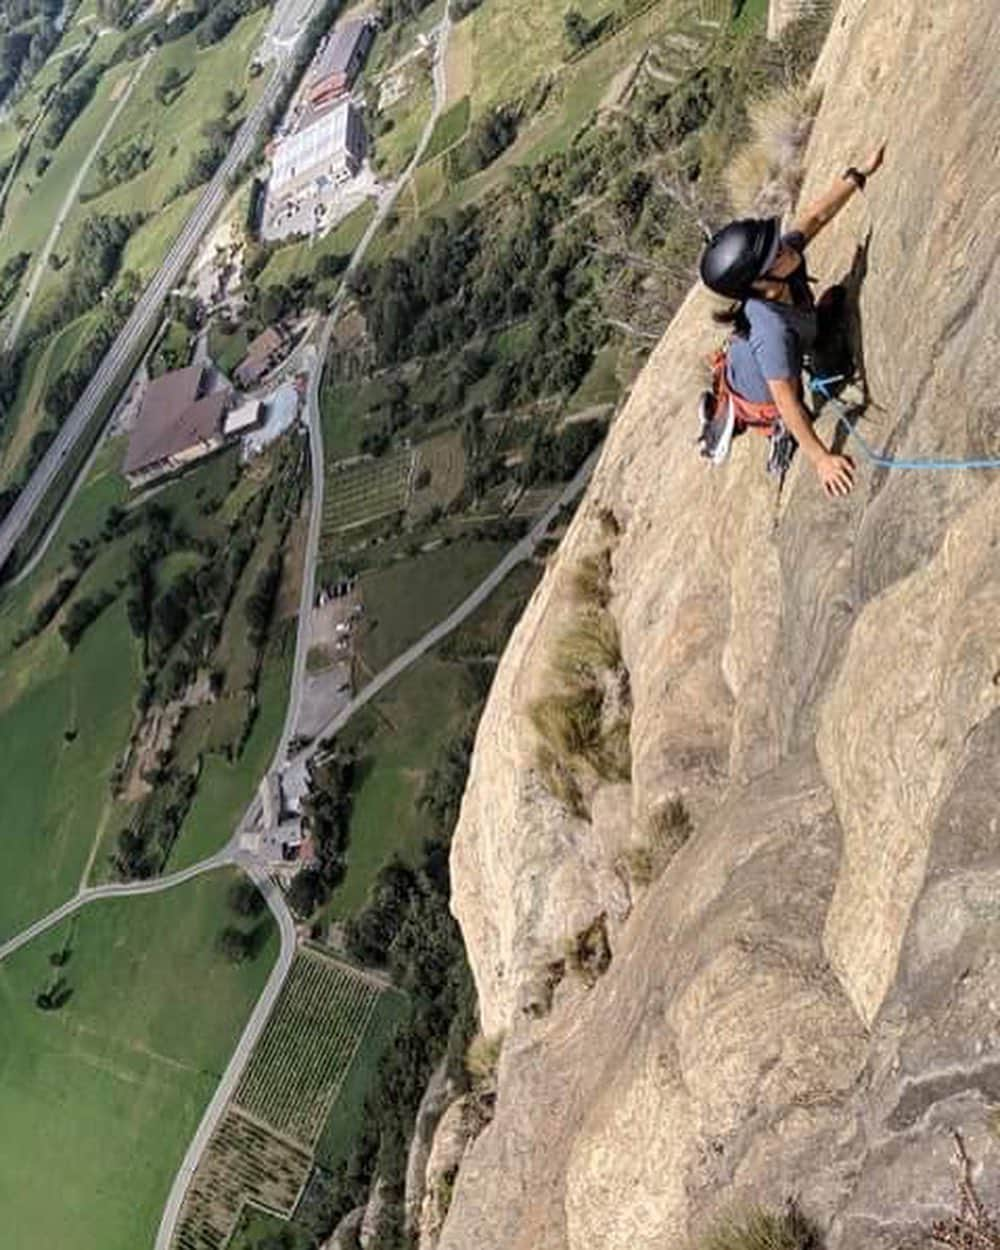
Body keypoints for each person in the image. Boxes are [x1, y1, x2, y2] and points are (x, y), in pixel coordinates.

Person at [698, 143, 886, 497]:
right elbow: (786, 399)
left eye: (779, 247)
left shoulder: (780, 266)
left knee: (832, 308)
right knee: (832, 360)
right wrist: (821, 460)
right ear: (759, 284)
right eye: (776, 256)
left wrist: (859, 173)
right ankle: (764, 426)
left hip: (763, 351)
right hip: (766, 396)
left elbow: (815, 217)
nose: (786, 251)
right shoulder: (771, 330)